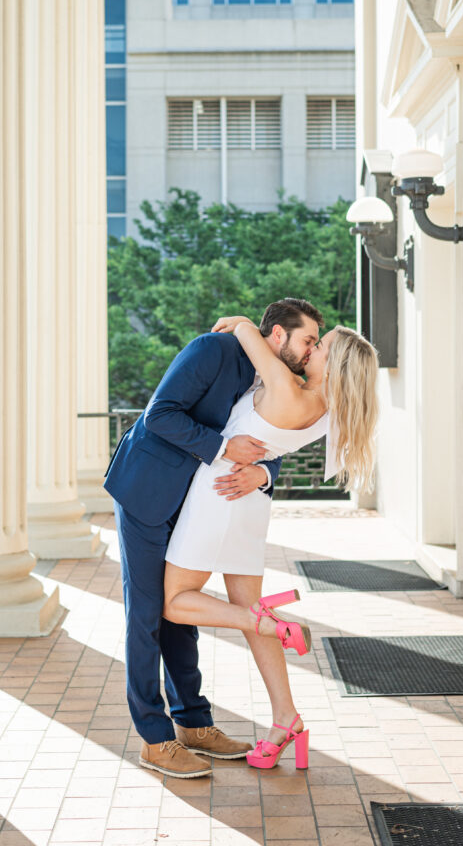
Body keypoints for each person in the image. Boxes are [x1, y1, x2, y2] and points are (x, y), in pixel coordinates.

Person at [103, 298, 324, 778]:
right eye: (307, 340)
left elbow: (270, 438)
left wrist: (262, 472)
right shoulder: (212, 350)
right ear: (279, 334)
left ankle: (193, 725)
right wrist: (223, 448)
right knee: (147, 614)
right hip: (147, 490)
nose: (311, 352)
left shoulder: (274, 378)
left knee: (184, 614)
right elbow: (159, 414)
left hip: (195, 503)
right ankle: (154, 739)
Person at [163, 315, 379, 770]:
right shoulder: (325, 411)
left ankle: (267, 624)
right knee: (249, 607)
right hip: (250, 501)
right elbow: (273, 448)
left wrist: (243, 320)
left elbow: (247, 332)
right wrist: (263, 472)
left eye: (321, 346)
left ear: (334, 363)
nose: (312, 349)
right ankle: (287, 720)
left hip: (217, 496)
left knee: (174, 602)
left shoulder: (286, 388)